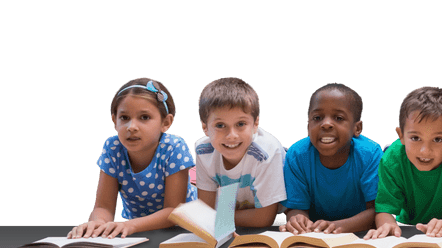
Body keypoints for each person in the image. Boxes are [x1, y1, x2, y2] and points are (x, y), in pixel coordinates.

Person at [69, 78, 197, 238]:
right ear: (114, 121)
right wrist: (97, 224)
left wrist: (129, 225)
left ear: (166, 122)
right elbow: (103, 207)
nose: (132, 127)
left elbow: (174, 211)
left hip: (183, 228)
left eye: (144, 117)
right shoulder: (113, 148)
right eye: (124, 117)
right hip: (136, 228)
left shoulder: (173, 147)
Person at [365, 86, 442, 239]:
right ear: (401, 135)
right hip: (409, 226)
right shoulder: (392, 158)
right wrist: (387, 225)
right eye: (415, 138)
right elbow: (384, 210)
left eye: (437, 139)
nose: (425, 151)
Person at [279, 83, 382, 235]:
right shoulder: (297, 155)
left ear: (357, 128)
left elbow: (378, 210)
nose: (326, 124)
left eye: (339, 118)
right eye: (317, 118)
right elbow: (296, 208)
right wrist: (297, 220)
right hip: (315, 236)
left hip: (360, 235)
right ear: (308, 125)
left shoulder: (370, 154)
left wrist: (337, 226)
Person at [194, 76, 286, 227]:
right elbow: (206, 211)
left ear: (255, 124)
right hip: (237, 205)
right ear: (205, 128)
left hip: (281, 208)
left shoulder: (266, 153)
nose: (232, 135)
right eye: (220, 125)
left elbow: (264, 218)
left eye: (241, 124)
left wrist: (216, 219)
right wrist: (211, 218)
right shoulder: (203, 151)